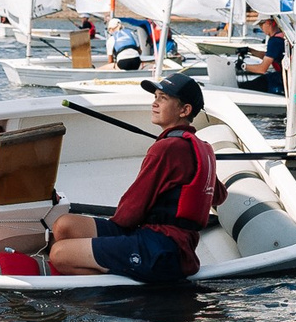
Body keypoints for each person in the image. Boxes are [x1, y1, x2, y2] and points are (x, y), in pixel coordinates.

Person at [49, 73, 219, 282]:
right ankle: (113, 263)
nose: (154, 103)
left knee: (59, 253)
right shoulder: (201, 148)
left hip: (161, 247)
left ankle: (117, 282)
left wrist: (115, 235)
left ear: (185, 110)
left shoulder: (167, 148)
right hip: (169, 242)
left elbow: (131, 211)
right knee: (64, 225)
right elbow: (219, 196)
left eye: (163, 98)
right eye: (155, 96)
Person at [232, 15, 289, 94]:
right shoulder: (282, 36)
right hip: (286, 78)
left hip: (281, 81)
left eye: (261, 25)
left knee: (244, 87)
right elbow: (268, 56)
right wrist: (249, 50)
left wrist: (243, 66)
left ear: (268, 23)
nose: (261, 28)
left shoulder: (275, 41)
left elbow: (262, 69)